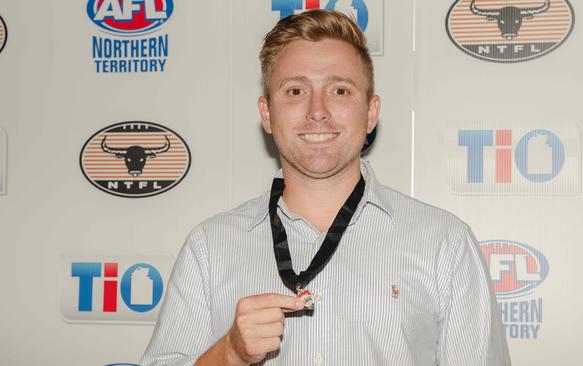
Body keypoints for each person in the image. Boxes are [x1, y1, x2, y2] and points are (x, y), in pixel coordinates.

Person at [141, 10, 510, 366]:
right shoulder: (209, 249)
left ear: (370, 112)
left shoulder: (446, 244)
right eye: (296, 90)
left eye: (339, 91)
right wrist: (229, 355)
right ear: (267, 113)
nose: (317, 111)